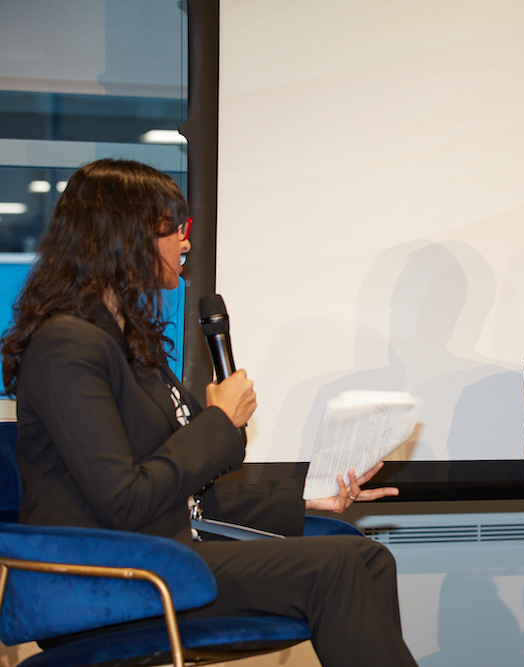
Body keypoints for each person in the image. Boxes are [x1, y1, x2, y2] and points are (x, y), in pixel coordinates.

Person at [1, 158, 418, 667]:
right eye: (174, 228)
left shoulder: (131, 345)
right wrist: (219, 422)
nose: (186, 242)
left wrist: (308, 496)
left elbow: (184, 492)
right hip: (107, 579)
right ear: (123, 236)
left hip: (166, 555)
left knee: (368, 558)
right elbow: (126, 501)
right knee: (339, 567)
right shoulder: (66, 346)